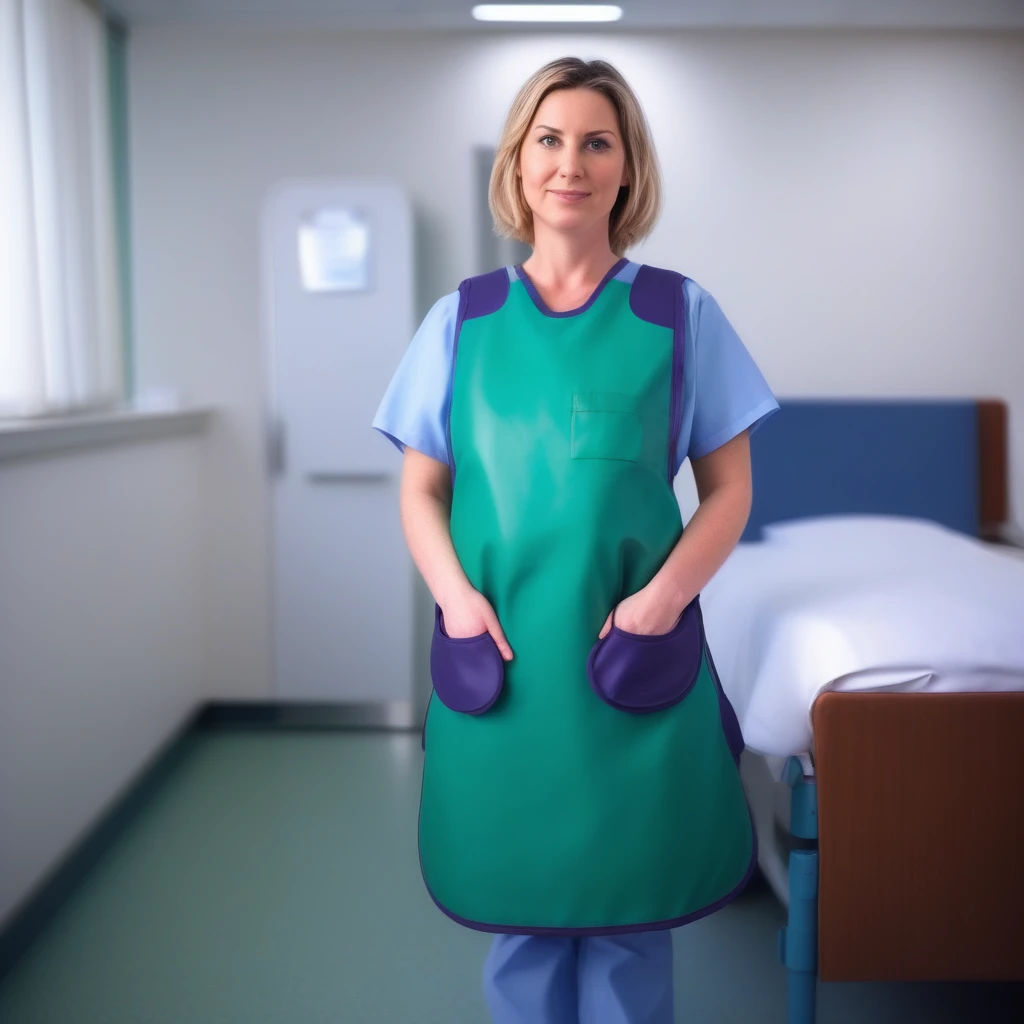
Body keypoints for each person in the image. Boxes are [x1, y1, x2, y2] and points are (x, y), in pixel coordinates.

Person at [372, 56, 779, 1024]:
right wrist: (457, 599)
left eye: (596, 142)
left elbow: (728, 491)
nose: (571, 163)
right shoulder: (458, 321)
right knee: (519, 916)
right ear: (518, 165)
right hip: (503, 658)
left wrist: (663, 598)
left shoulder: (677, 313)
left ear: (626, 168)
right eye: (548, 141)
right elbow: (421, 491)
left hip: (626, 654)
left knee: (630, 918)